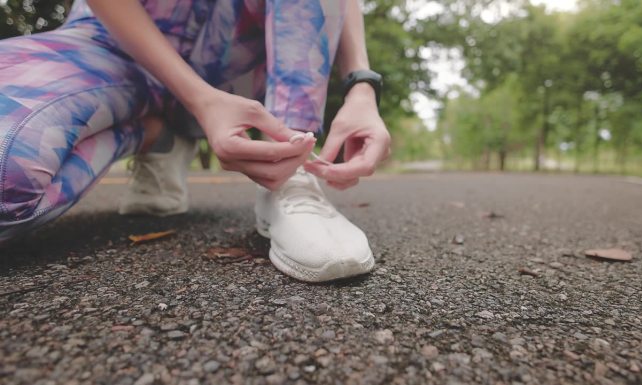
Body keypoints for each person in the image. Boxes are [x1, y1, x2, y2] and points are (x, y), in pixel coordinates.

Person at [0, 0, 390, 282]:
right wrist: (199, 99)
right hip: (107, 39)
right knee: (7, 173)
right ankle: (157, 136)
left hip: (236, 56)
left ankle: (291, 172)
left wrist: (361, 83)